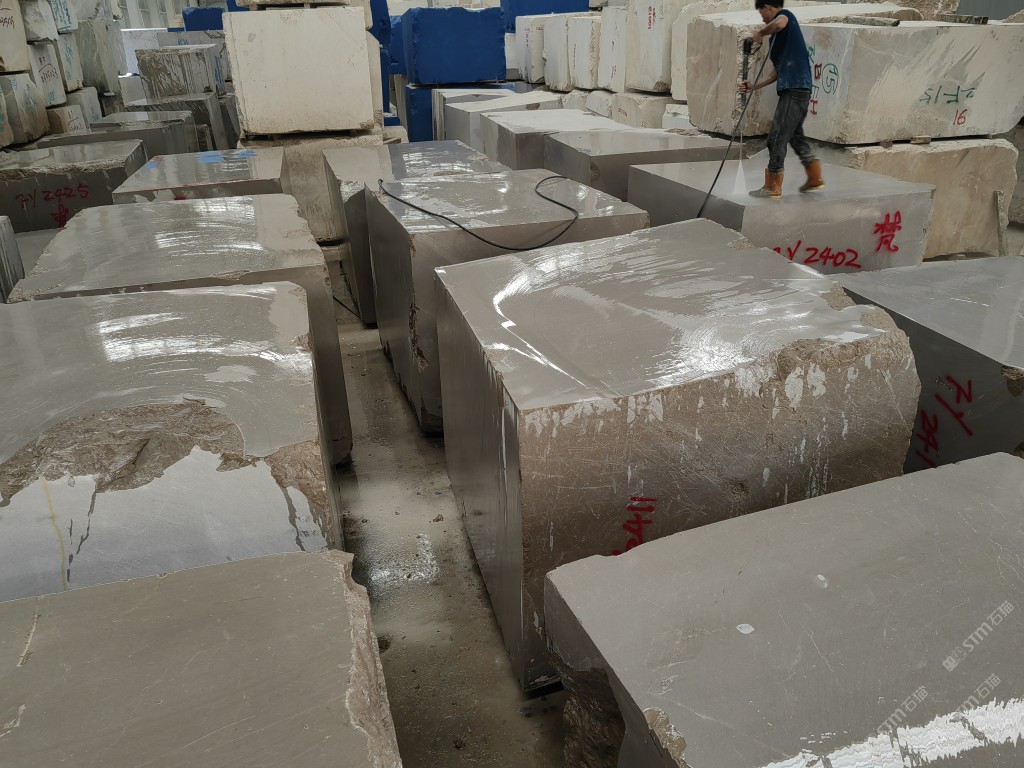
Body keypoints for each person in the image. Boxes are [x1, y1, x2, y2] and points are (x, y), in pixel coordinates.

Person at [738, 0, 825, 198]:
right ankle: (815, 177)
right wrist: (753, 86)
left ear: (767, 7)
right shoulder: (778, 40)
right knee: (794, 136)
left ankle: (773, 186)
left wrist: (760, 33)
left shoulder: (785, 16)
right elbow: (775, 74)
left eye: (762, 13)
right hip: (795, 88)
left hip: (794, 88)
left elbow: (779, 22)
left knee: (776, 138)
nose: (763, 18)